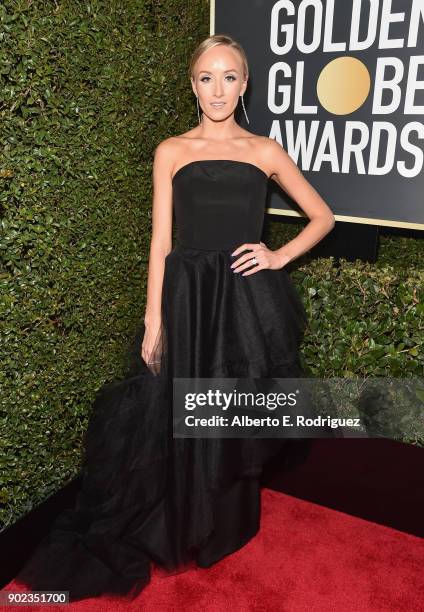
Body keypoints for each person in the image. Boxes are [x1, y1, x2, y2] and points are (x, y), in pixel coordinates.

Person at [15, 34, 335, 602]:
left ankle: (230, 520)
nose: (218, 89)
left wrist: (277, 255)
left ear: (245, 84)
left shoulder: (265, 150)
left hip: (242, 297)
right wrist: (152, 319)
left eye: (229, 76)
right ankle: (187, 518)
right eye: (207, 77)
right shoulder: (172, 150)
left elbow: (322, 216)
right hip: (186, 295)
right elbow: (161, 240)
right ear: (193, 85)